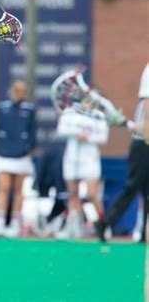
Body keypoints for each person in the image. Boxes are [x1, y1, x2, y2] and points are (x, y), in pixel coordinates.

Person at [95, 62, 149, 242]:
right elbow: (144, 127)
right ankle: (106, 222)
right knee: (132, 187)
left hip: (143, 140)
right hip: (143, 146)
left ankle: (142, 234)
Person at [55, 95, 109, 239]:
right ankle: (73, 228)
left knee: (92, 194)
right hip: (72, 159)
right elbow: (61, 130)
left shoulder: (99, 116)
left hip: (90, 159)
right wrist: (76, 133)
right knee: (73, 194)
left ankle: (104, 225)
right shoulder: (69, 113)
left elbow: (103, 137)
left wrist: (88, 136)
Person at [0, 80, 36, 238]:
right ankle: (0, 223)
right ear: (10, 90)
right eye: (16, 89)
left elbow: (32, 132)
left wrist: (26, 147)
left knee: (18, 190)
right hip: (4, 155)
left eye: (21, 90)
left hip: (21, 156)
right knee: (3, 188)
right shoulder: (2, 108)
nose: (18, 92)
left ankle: (15, 224)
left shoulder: (29, 110)